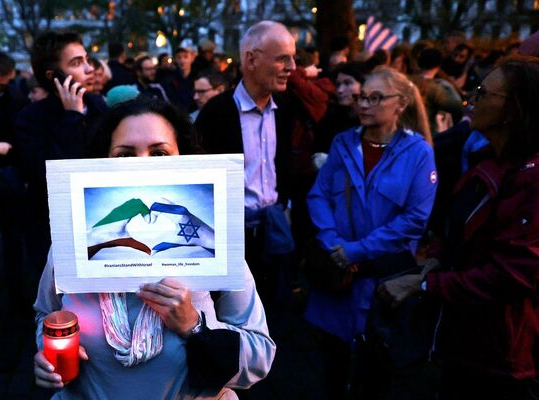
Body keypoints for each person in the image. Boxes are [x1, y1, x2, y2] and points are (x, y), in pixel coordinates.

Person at [32, 97, 275, 398]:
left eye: (159, 153)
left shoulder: (215, 245)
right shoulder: (74, 243)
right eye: (125, 155)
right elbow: (47, 314)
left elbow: (260, 355)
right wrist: (48, 353)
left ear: (183, 159)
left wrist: (194, 326)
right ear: (101, 162)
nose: (142, 165)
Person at [379, 56, 539, 400]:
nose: (471, 100)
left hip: (502, 356)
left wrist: (425, 283)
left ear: (512, 110)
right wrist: (436, 258)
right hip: (465, 343)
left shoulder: (531, 179)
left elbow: (513, 274)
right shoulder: (489, 163)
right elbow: (457, 234)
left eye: (482, 92)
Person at [305, 66, 437, 398]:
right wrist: (332, 242)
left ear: (401, 103)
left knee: (375, 372)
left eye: (375, 98)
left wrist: (356, 250)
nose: (364, 104)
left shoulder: (418, 153)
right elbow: (318, 195)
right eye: (363, 96)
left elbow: (414, 220)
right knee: (330, 369)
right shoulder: (343, 143)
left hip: (382, 283)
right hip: (336, 281)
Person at [195, 21, 296, 319]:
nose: (292, 67)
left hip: (273, 231)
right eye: (282, 58)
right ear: (251, 59)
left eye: (293, 58)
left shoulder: (286, 106)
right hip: (230, 238)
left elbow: (284, 164)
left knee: (274, 316)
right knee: (232, 319)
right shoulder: (215, 113)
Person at [15, 31, 108, 340]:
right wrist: (70, 118)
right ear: (54, 75)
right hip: (52, 232)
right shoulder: (30, 118)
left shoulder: (99, 107)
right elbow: (47, 176)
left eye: (87, 60)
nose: (88, 68)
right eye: (77, 62)